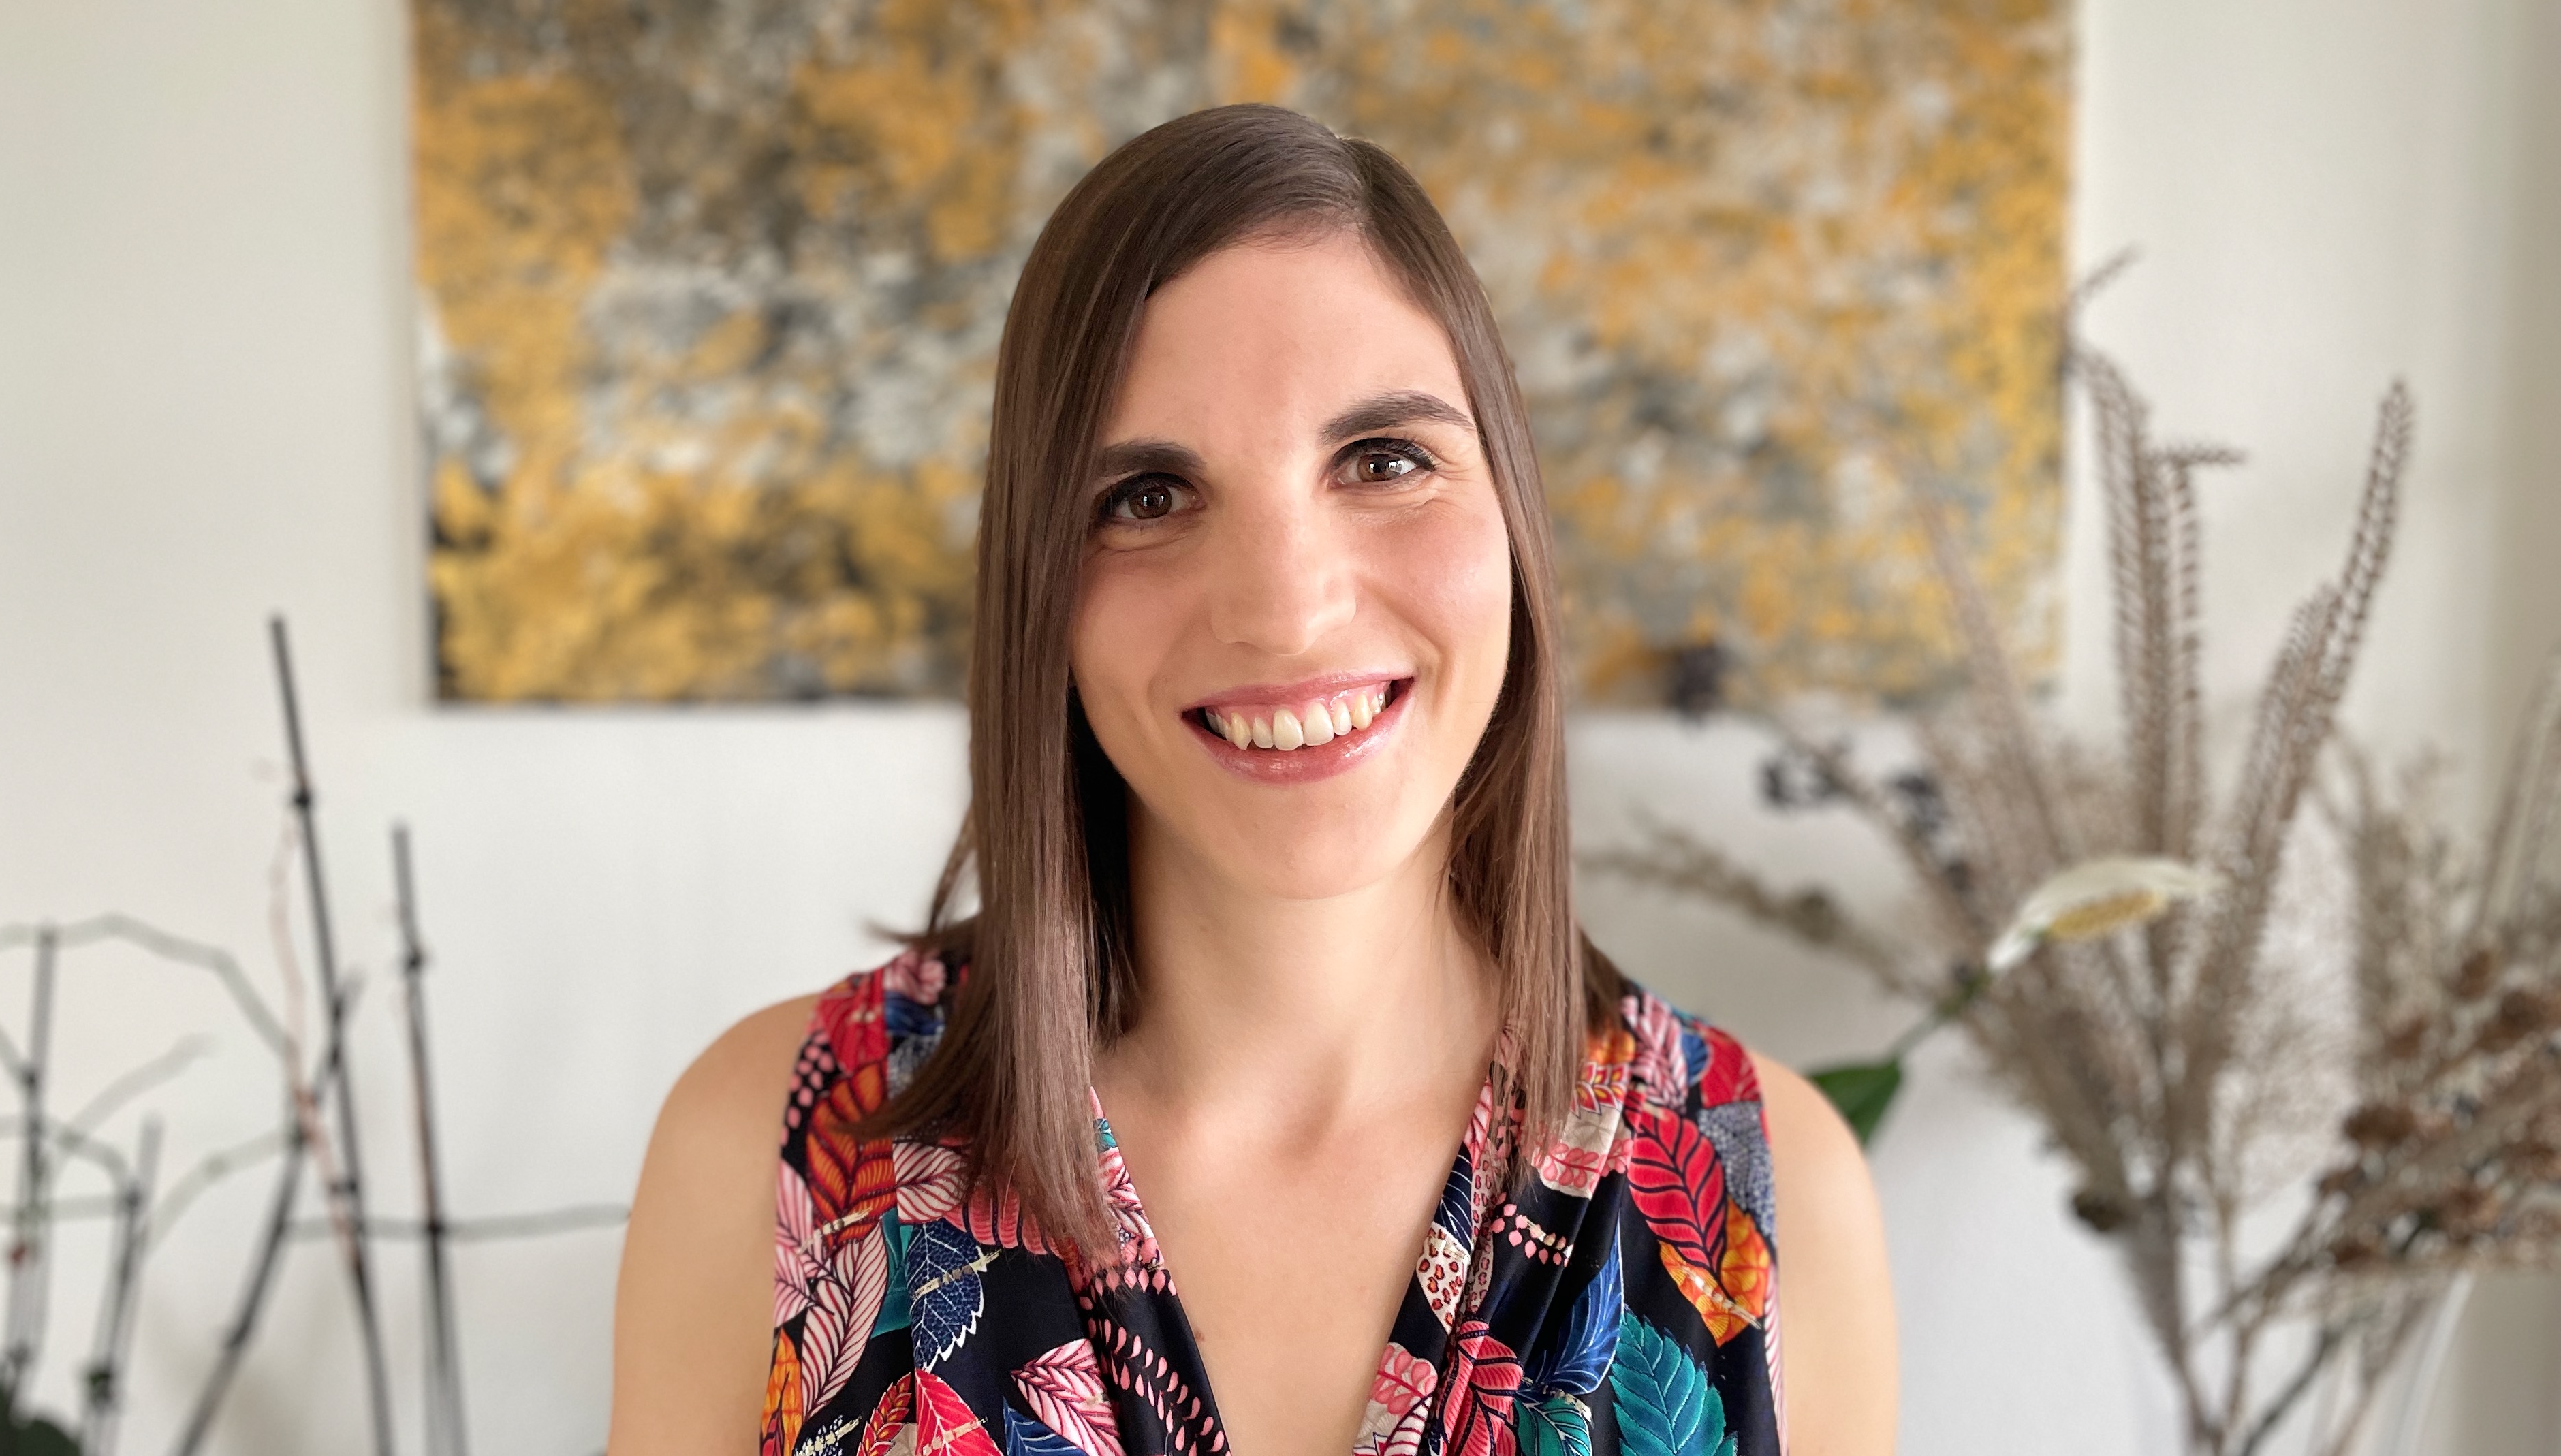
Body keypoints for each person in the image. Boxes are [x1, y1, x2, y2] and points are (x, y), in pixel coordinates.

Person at [610, 104, 1896, 1456]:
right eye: (1148, 496)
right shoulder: (768, 1152)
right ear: (1037, 588)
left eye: (1382, 460)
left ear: (1510, 516)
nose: (1284, 611)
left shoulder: (1769, 1196)